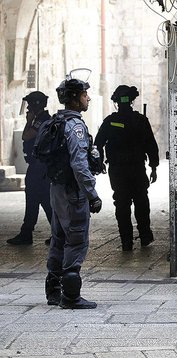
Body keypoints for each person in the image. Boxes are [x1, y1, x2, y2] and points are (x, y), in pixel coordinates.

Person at [44, 71, 102, 309]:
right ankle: (70, 296)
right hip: (72, 192)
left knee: (59, 238)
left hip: (57, 190)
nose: (88, 98)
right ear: (75, 98)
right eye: (85, 94)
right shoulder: (75, 126)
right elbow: (79, 164)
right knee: (76, 240)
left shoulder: (56, 122)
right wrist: (92, 194)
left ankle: (53, 291)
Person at [94, 85, 159, 251]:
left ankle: (126, 241)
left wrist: (100, 162)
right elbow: (151, 145)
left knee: (122, 204)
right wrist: (153, 167)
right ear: (131, 101)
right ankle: (145, 236)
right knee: (141, 202)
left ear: (116, 102)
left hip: (118, 170)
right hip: (137, 169)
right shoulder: (140, 120)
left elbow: (98, 143)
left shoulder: (110, 121)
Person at [7, 91, 53, 245]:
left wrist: (29, 121)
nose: (28, 108)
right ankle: (28, 232)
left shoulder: (41, 120)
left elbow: (26, 136)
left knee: (40, 199)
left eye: (29, 104)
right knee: (39, 199)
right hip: (39, 167)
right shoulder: (43, 119)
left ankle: (32, 233)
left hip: (39, 168)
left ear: (35, 105)